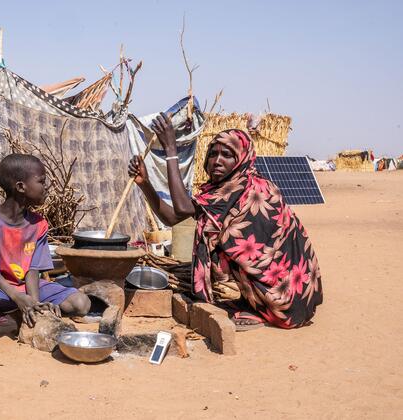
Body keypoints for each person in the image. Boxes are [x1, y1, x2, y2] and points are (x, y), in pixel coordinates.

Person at [128, 113, 323, 330]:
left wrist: (171, 151)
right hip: (294, 298)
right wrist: (144, 183)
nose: (217, 160)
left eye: (227, 155)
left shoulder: (246, 188)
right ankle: (252, 301)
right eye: (213, 154)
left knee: (221, 245)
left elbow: (181, 208)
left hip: (283, 301)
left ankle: (259, 306)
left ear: (241, 158)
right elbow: (172, 217)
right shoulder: (226, 190)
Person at [0, 154, 91, 338]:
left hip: (26, 287)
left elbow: (33, 269)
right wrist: (17, 297)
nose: (46, 188)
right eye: (41, 181)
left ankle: (21, 315)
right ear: (21, 187)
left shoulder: (39, 225)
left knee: (82, 303)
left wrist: (34, 304)